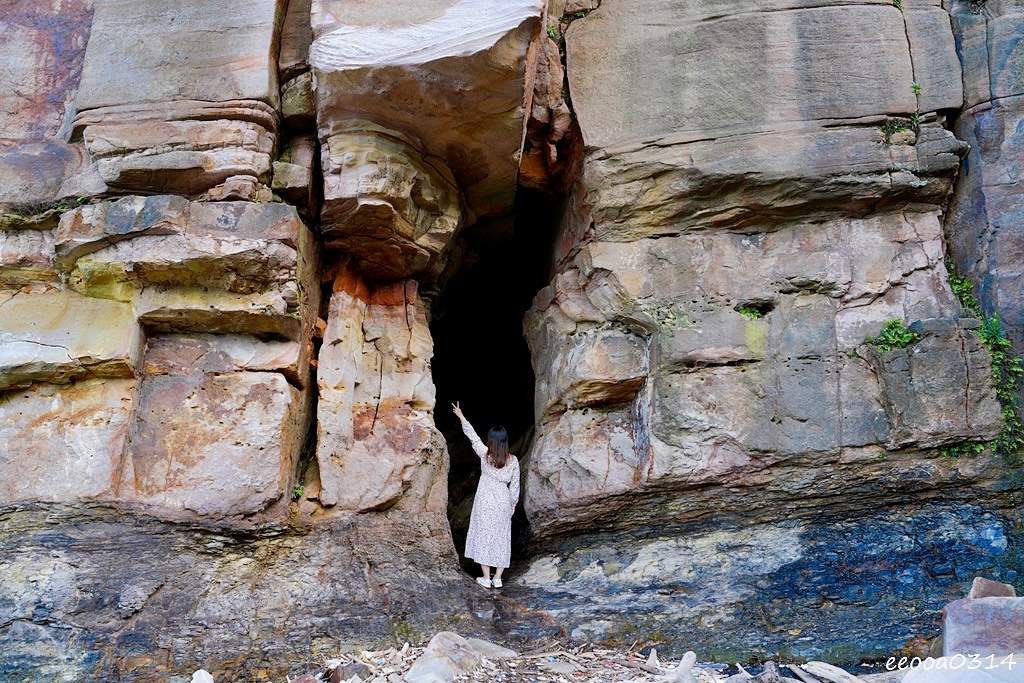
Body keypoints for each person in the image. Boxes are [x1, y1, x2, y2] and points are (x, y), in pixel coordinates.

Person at [452, 401, 519, 588]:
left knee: (484, 537)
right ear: (505, 441)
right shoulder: (513, 461)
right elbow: (515, 485)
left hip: (485, 501)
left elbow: (473, 437)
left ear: (491, 441)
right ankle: (498, 578)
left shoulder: (485, 455)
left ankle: (486, 578)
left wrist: (461, 416)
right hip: (503, 501)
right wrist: (513, 504)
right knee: (501, 538)